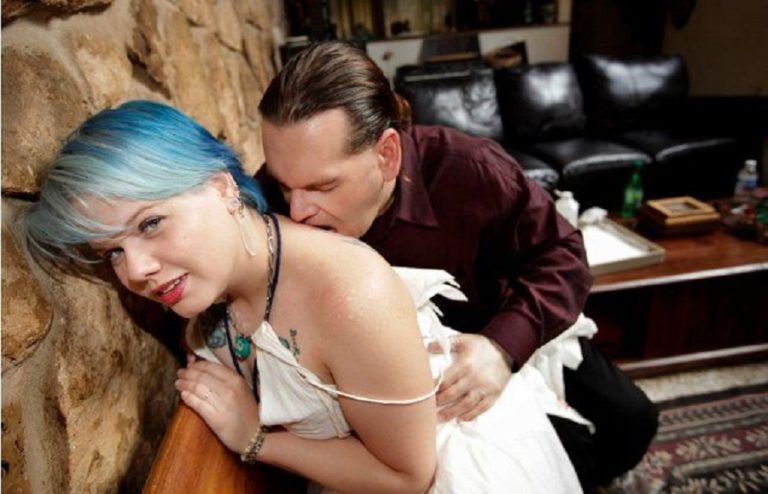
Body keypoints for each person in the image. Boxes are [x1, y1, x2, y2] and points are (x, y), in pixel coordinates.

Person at [23, 100, 585, 493]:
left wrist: (256, 439)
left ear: (222, 188)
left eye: (150, 224)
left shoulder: (348, 291)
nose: (136, 270)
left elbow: (410, 477)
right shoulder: (213, 275)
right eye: (112, 253)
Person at [257, 41, 659, 489]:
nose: (296, 213)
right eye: (285, 187)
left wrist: (500, 348)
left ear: (387, 155)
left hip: (501, 326)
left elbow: (563, 254)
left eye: (322, 186)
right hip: (398, 381)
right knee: (555, 458)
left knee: (633, 422)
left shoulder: (470, 170)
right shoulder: (270, 200)